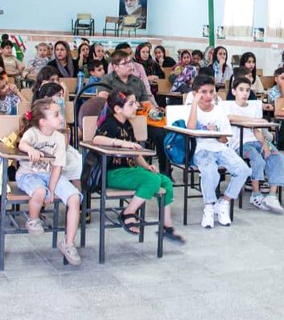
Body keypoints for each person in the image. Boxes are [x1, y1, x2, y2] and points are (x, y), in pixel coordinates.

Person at [92, 91, 184, 242]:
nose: (136, 106)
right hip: (112, 173)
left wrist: (147, 166)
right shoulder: (110, 123)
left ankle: (166, 226)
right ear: (117, 109)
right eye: (131, 104)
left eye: (135, 103)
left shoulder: (127, 124)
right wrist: (121, 143)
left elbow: (135, 152)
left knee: (164, 181)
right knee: (152, 181)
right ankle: (128, 213)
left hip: (129, 171)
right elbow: (96, 139)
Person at [17, 98, 83, 265]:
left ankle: (69, 244)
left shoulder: (60, 139)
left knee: (74, 198)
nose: (61, 118)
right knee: (40, 192)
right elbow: (22, 144)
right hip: (28, 174)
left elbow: (57, 167)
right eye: (56, 115)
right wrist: (31, 149)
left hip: (50, 175)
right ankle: (33, 219)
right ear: (42, 121)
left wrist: (52, 189)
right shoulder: (32, 132)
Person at [187, 75, 250, 228]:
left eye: (211, 91)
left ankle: (224, 202)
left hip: (220, 148)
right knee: (210, 171)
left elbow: (225, 139)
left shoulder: (219, 111)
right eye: (203, 92)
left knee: (243, 170)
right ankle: (209, 206)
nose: (208, 96)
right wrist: (194, 104)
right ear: (195, 94)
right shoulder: (191, 109)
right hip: (200, 150)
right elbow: (190, 129)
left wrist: (216, 133)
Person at [227, 77, 284, 213]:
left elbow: (257, 129)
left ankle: (272, 195)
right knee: (257, 160)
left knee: (277, 156)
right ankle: (256, 194)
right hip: (240, 144)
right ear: (234, 91)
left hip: (256, 140)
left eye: (247, 90)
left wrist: (264, 143)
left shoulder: (253, 106)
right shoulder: (229, 105)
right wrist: (254, 120)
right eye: (241, 90)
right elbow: (230, 118)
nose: (245, 93)